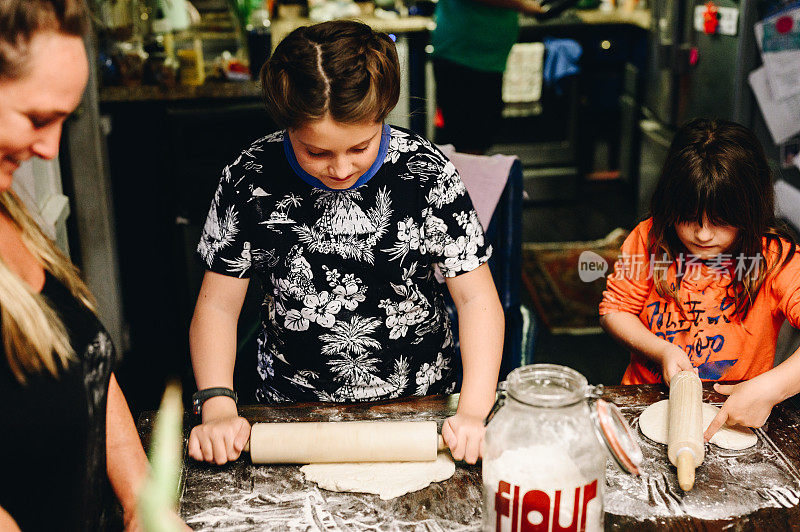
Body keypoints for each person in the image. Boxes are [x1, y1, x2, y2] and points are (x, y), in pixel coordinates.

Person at [188, 20, 504, 466]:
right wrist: (218, 403)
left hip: (421, 407)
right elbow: (217, 306)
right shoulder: (249, 178)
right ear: (287, 126)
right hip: (292, 412)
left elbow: (476, 300)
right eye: (316, 152)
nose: (340, 169)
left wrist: (472, 410)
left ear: (382, 115)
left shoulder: (426, 174)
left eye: (360, 146)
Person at [0, 1, 185, 530]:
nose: (51, 147)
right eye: (37, 119)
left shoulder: (11, 212)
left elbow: (87, 367)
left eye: (66, 119)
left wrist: (141, 501)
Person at [599, 118, 800, 441]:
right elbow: (614, 311)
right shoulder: (649, 240)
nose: (703, 234)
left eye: (721, 222)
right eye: (689, 219)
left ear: (750, 211)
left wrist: (771, 388)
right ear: (669, 204)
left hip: (733, 411)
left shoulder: (774, 258)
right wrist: (661, 351)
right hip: (645, 400)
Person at [430, 0, 544, 154]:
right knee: (466, 144)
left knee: (475, 141)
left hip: (481, 58)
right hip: (465, 55)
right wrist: (523, 4)